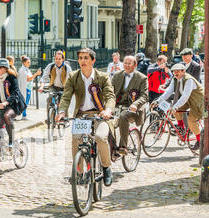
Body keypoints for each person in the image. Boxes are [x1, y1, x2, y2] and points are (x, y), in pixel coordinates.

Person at [55, 48, 116, 187]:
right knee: (76, 140)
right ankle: (79, 172)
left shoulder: (103, 77)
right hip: (81, 115)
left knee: (100, 137)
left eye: (86, 58)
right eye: (80, 58)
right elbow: (66, 96)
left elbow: (110, 96)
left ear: (93, 60)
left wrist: (108, 110)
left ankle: (106, 168)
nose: (82, 61)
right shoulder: (73, 76)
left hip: (100, 115)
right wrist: (62, 111)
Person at [151, 63, 204, 151]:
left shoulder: (188, 80)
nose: (175, 73)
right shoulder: (175, 79)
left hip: (197, 101)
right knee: (174, 109)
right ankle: (181, 128)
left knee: (191, 121)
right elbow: (168, 92)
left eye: (178, 71)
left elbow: (185, 96)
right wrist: (158, 101)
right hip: (188, 100)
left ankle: (200, 141)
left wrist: (175, 107)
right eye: (174, 71)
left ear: (183, 71)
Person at [112, 55, 148, 154]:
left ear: (135, 65)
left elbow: (144, 96)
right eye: (125, 63)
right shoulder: (116, 75)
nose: (126, 65)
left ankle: (123, 146)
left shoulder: (142, 78)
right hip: (117, 106)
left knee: (123, 116)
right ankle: (111, 145)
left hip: (133, 109)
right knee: (106, 120)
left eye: (129, 63)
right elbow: (110, 92)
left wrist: (135, 104)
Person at [0, 58, 26, 147]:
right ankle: (0, 143)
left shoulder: (11, 78)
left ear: (6, 69)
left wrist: (6, 103)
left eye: (0, 68)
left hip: (14, 104)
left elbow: (15, 93)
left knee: (7, 116)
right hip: (1, 104)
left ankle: (11, 141)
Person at [18, 56, 41, 120]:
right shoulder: (23, 70)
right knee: (25, 102)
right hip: (25, 87)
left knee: (26, 102)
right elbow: (29, 79)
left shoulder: (26, 69)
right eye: (28, 62)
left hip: (28, 87)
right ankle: (24, 115)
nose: (29, 64)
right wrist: (36, 74)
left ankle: (24, 115)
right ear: (24, 63)